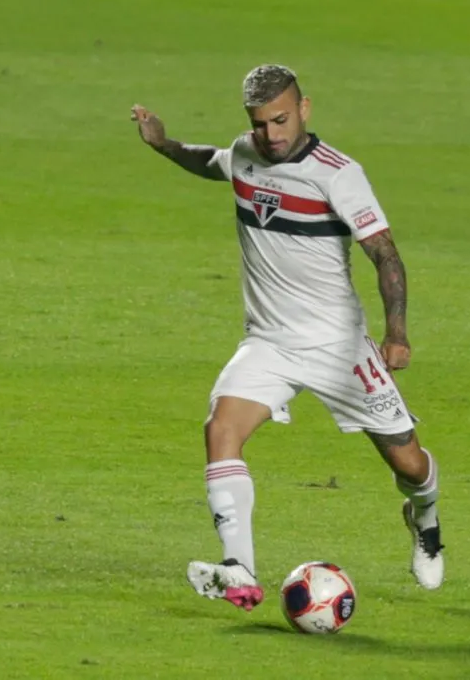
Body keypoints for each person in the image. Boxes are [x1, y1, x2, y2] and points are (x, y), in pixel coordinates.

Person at [130, 64, 444, 611]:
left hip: (338, 347)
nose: (270, 134)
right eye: (259, 123)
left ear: (304, 109)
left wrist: (396, 333)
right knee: (221, 428)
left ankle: (426, 517)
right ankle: (240, 570)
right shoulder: (246, 151)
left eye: (280, 120)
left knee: (409, 465)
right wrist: (164, 145)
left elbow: (385, 254)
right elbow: (213, 162)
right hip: (270, 342)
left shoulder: (338, 175)